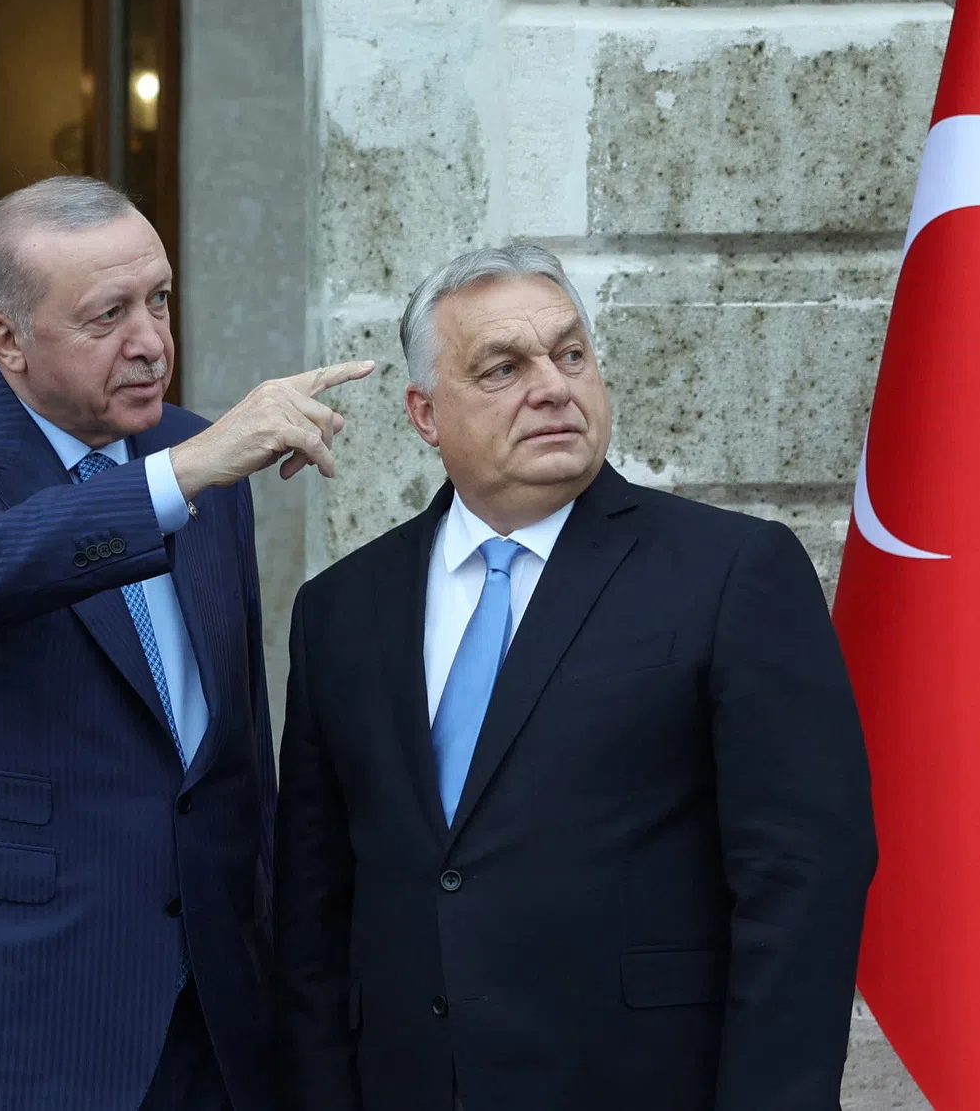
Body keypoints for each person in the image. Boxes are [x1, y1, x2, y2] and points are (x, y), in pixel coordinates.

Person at [274, 244, 878, 1111]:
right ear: (424, 413)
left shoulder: (732, 572)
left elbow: (803, 880)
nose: (553, 387)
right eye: (502, 369)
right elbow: (313, 907)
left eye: (570, 355)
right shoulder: (341, 609)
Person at [0, 175, 372, 1111]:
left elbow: (232, 743)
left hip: (214, 1010)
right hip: (13, 1015)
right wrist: (182, 474)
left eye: (159, 299)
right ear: (8, 339)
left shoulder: (197, 455)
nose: (150, 341)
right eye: (107, 316)